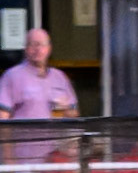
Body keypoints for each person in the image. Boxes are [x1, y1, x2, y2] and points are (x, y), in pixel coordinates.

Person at [0, 28, 79, 164]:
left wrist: (66, 109)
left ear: (49, 48)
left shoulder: (59, 77)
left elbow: (74, 116)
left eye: (42, 45)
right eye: (33, 44)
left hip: (55, 162)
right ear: (26, 48)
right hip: (23, 161)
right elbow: (3, 122)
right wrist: (9, 161)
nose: (37, 49)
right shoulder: (12, 76)